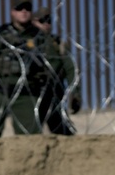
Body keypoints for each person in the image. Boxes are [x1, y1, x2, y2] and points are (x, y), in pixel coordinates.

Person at [0, 0, 59, 137]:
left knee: (29, 136)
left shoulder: (38, 35)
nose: (24, 11)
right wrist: (4, 41)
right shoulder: (1, 32)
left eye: (27, 8)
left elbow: (54, 60)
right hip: (1, 88)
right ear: (12, 12)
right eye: (19, 8)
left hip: (26, 90)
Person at [31, 7, 81, 135]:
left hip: (54, 93)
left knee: (62, 131)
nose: (46, 24)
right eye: (42, 20)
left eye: (49, 20)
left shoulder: (57, 43)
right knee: (31, 131)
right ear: (33, 22)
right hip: (34, 94)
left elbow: (71, 69)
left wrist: (75, 93)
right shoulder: (27, 42)